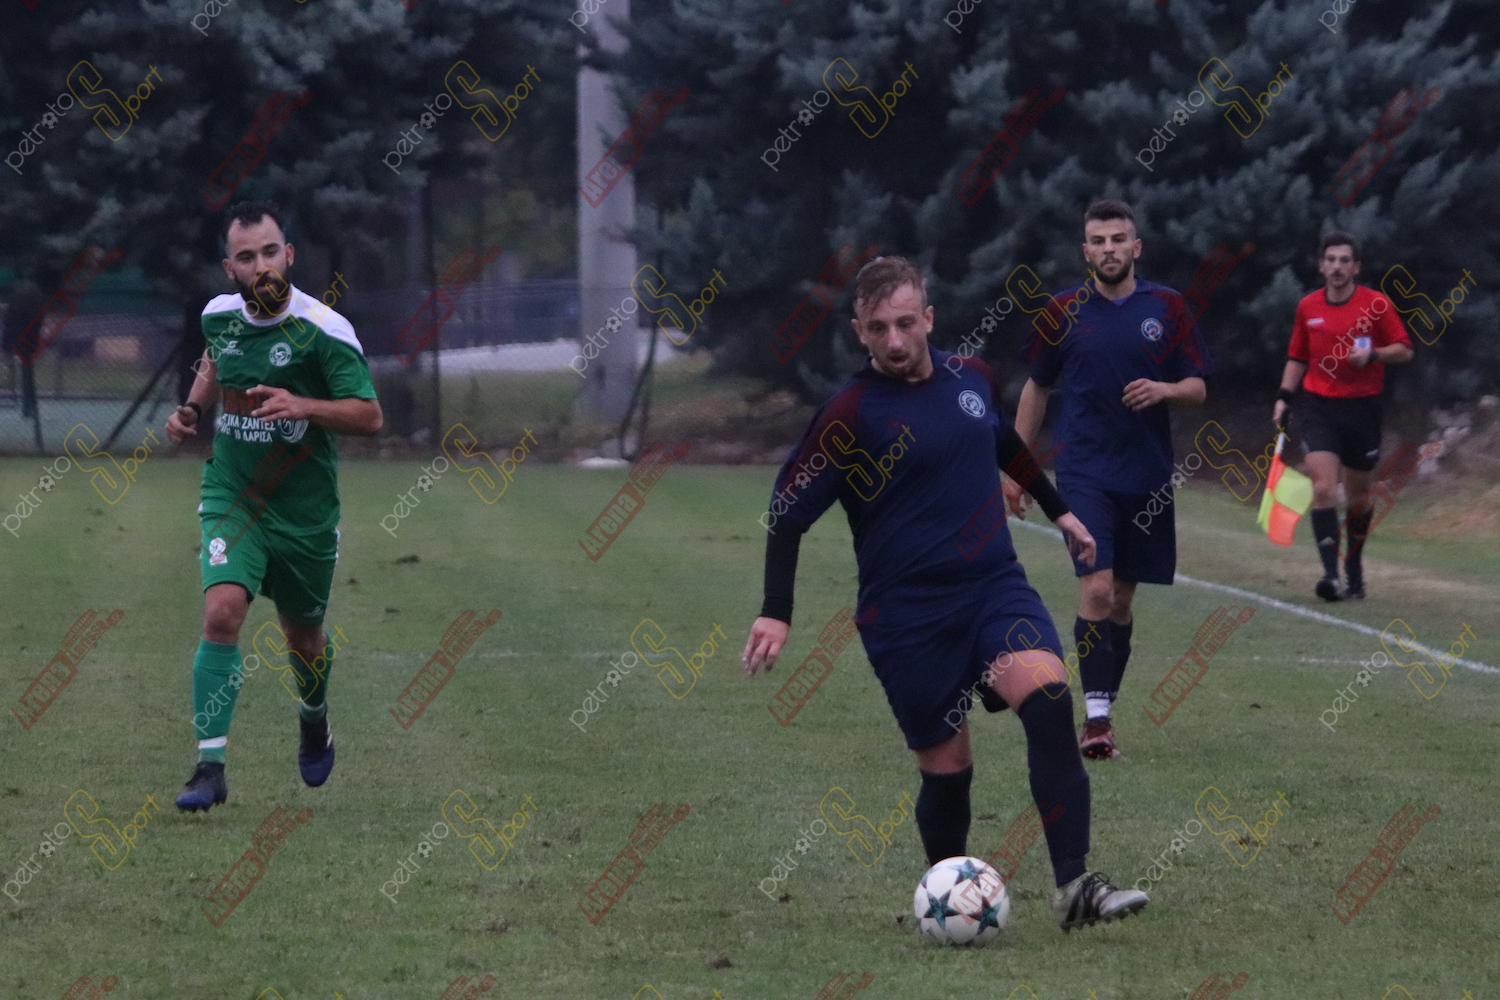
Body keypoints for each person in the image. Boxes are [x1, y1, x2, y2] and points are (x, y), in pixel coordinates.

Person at [742, 255, 1148, 932]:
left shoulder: (972, 378)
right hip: (906, 616)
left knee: (1049, 697)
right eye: (879, 328)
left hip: (992, 587)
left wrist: (1062, 513)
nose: (895, 340)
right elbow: (787, 512)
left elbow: (1004, 444)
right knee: (948, 767)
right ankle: (950, 899)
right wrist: (775, 613)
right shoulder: (849, 414)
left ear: (928, 317)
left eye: (906, 323)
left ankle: (1076, 886)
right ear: (859, 332)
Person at [165, 200, 383, 811]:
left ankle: (314, 718)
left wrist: (304, 405)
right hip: (233, 493)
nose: (260, 265)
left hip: (304, 511)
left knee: (303, 637)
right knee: (222, 613)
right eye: (246, 257)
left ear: (288, 255)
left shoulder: (325, 330)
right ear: (229, 269)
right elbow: (216, 360)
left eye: (269, 252)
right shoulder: (218, 316)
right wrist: (192, 407)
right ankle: (209, 768)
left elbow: (370, 416)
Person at [1007, 199, 1208, 761]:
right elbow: (1036, 387)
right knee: (1096, 588)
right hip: (1083, 472)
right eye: (1098, 241)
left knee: (1120, 600)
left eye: (1118, 239)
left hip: (1146, 475)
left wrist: (1164, 389)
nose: (1109, 249)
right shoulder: (1061, 311)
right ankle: (1096, 722)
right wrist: (1016, 469)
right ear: (1086, 251)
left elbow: (1197, 387)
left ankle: (1103, 704)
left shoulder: (1167, 307)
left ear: (1135, 247)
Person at [1271, 231, 1412, 601]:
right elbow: (1297, 356)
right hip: (1319, 406)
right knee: (1322, 489)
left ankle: (1354, 570)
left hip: (1363, 408)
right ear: (1321, 266)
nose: (1337, 267)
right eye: (1330, 260)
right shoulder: (1308, 307)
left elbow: (1404, 349)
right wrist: (1284, 398)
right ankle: (1331, 577)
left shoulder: (1376, 304)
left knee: (1358, 494)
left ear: (1356, 267)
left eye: (1344, 260)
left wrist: (1374, 355)